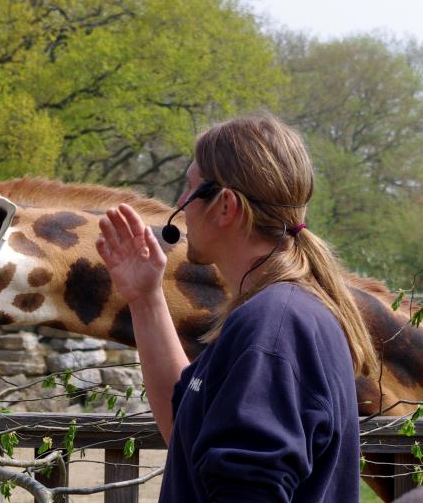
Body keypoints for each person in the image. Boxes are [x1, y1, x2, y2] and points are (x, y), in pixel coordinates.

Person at [96, 115, 379, 501]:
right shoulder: (282, 312)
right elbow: (187, 431)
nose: (179, 204)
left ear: (225, 206)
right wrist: (145, 298)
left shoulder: (273, 326)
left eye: (190, 189)